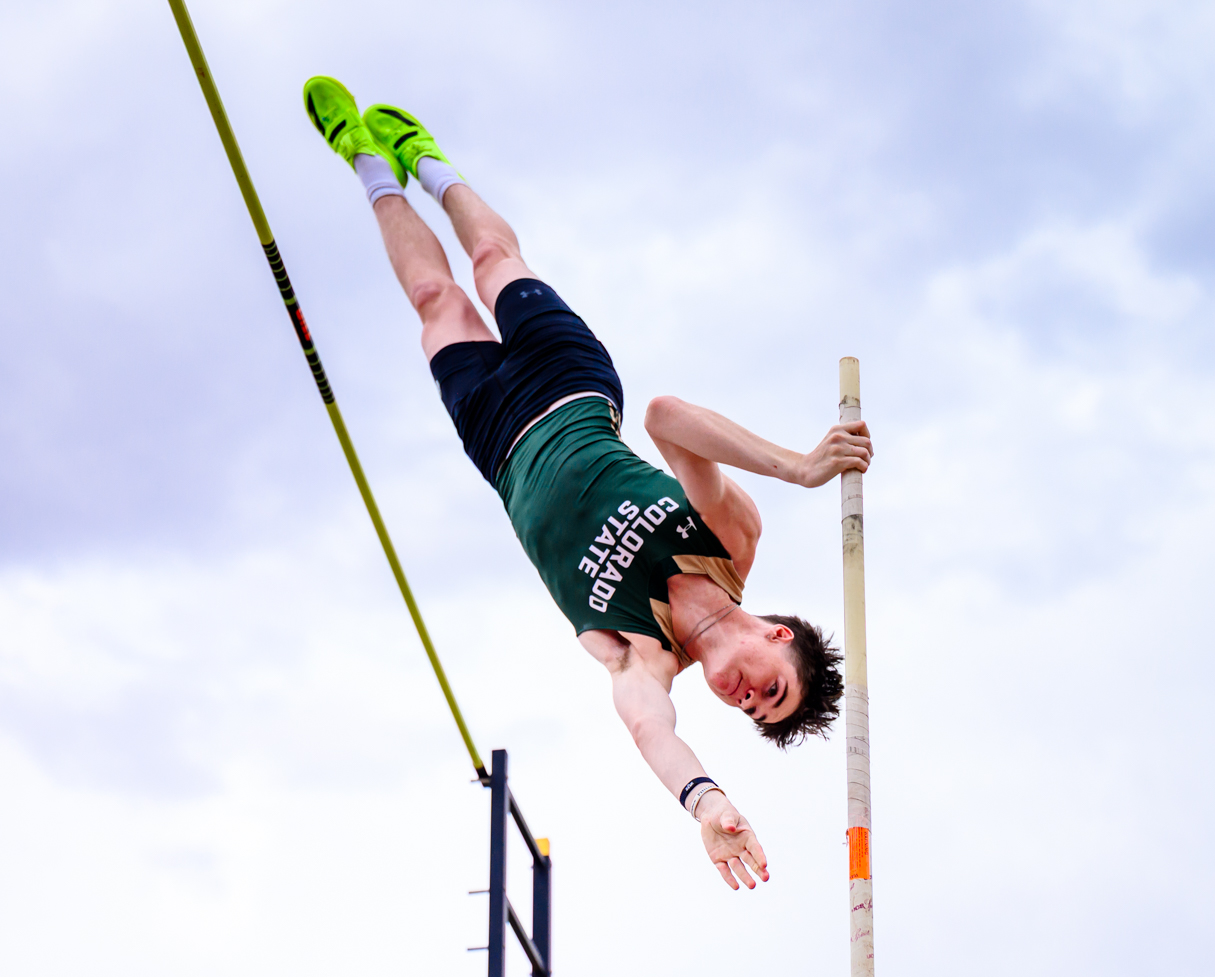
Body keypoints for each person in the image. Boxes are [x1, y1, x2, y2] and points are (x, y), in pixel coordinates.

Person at [303, 77, 874, 891]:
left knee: (435, 300)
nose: (746, 697)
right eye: (769, 690)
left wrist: (705, 801)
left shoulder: (639, 657)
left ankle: (364, 163)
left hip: (498, 439)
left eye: (751, 712)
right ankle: (426, 161)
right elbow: (668, 415)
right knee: (495, 260)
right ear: (777, 634)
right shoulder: (729, 540)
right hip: (569, 382)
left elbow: (651, 730)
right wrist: (799, 468)